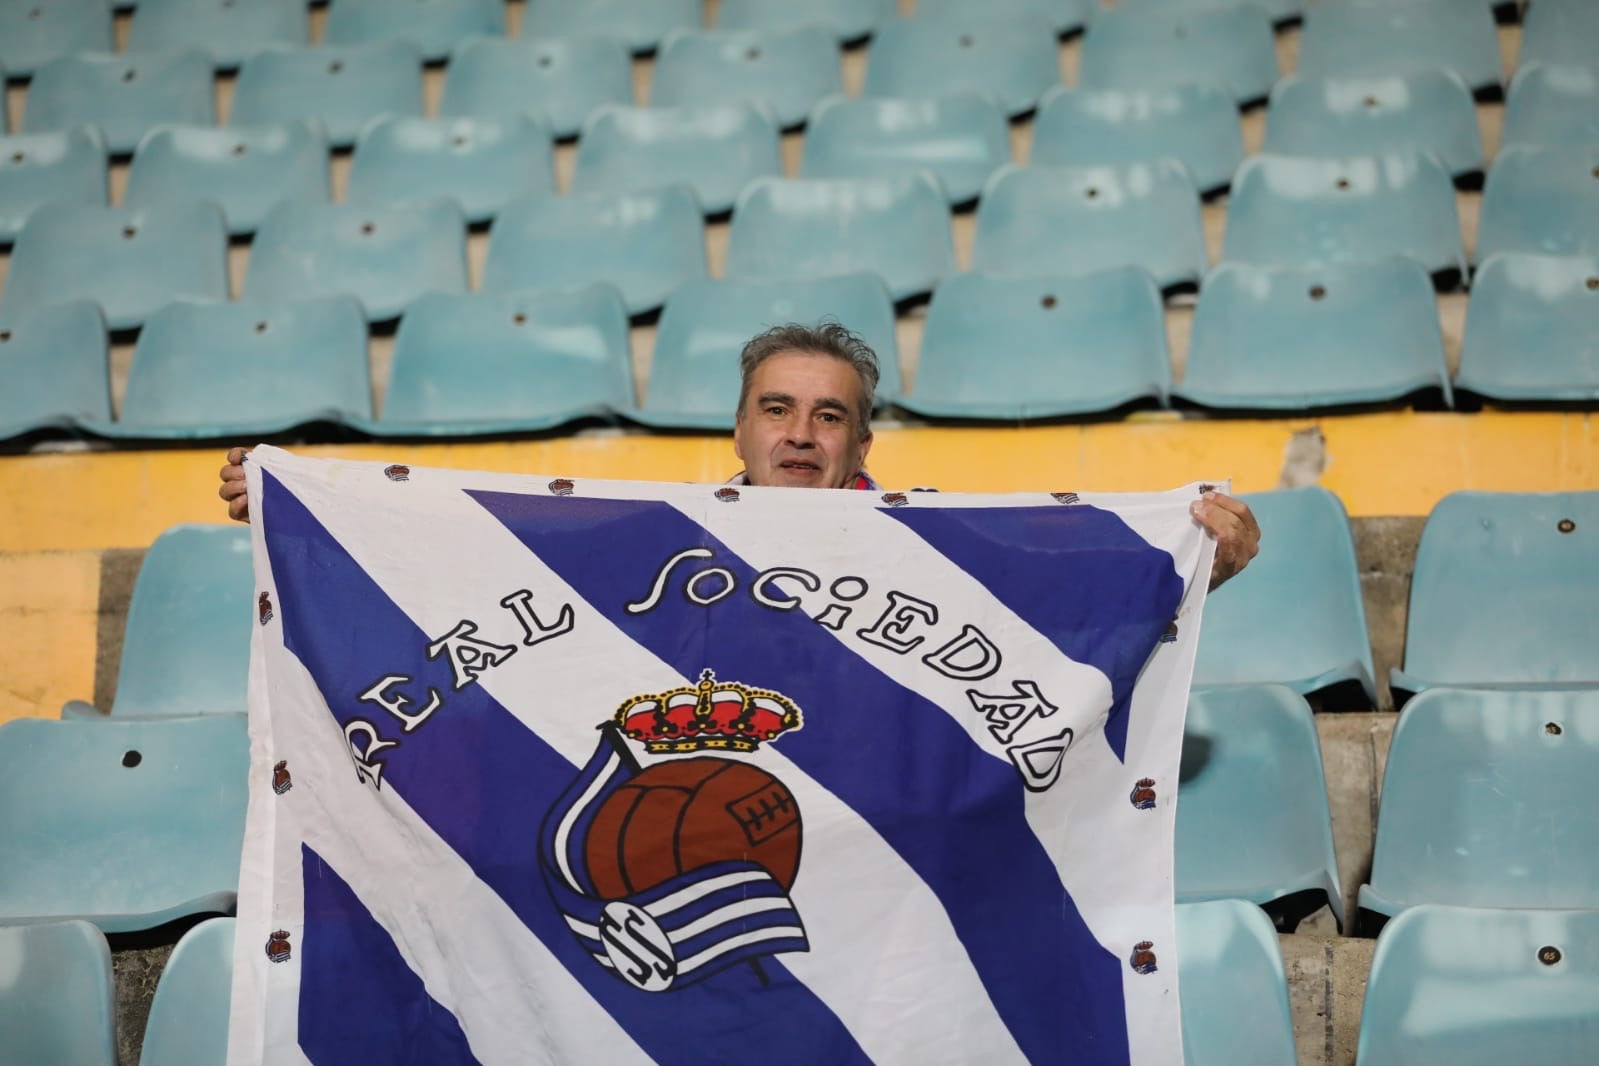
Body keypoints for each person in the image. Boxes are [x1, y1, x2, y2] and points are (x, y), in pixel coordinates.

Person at [218, 321, 1259, 588]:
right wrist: (298, 511)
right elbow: (469, 555)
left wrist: (1198, 556)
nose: (799, 433)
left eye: (827, 415)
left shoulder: (935, 538)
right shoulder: (658, 539)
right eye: (777, 408)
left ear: (862, 440)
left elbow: (1061, 586)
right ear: (740, 429)